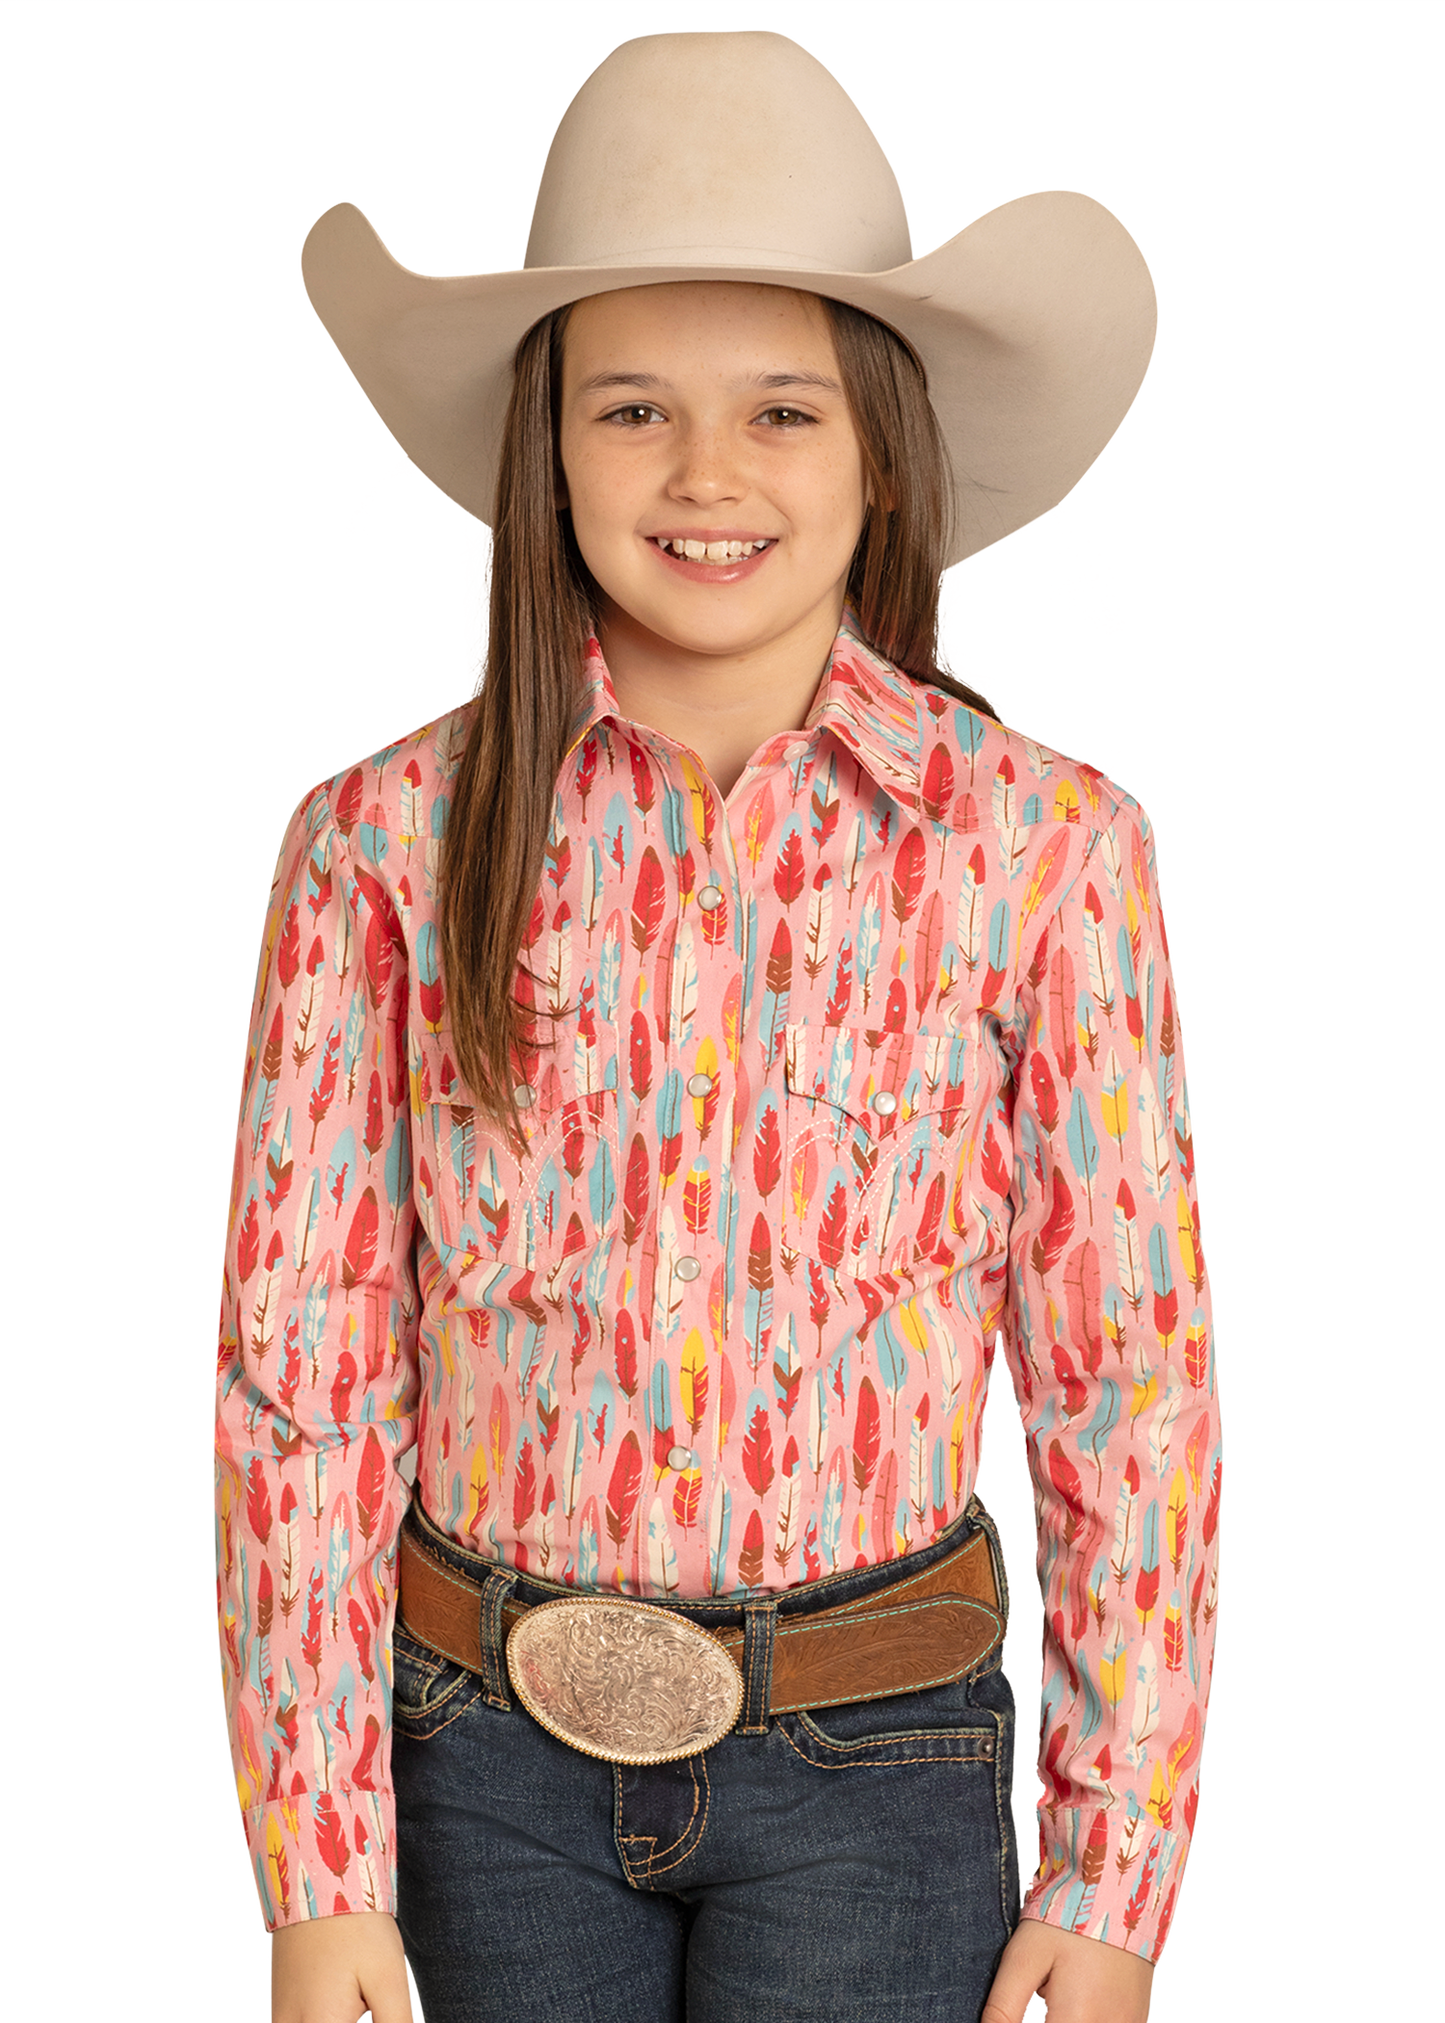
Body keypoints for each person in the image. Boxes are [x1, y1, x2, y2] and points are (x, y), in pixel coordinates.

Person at [212, 27, 1222, 2023]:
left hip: (885, 1767)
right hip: (474, 1763)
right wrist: (315, 1870)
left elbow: (1128, 1385)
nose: (705, 475)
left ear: (878, 447)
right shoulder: (377, 847)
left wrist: (1114, 1872)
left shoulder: (1044, 851)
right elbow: (300, 1376)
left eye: (781, 409)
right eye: (631, 410)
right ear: (543, 448)